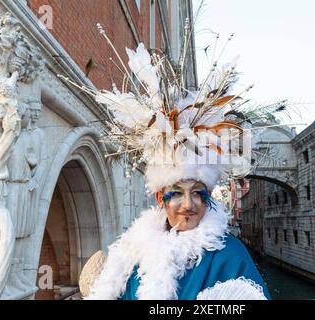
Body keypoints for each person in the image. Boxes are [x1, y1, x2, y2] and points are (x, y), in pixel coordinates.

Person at [75, 37, 271, 300]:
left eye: (198, 192)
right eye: (176, 193)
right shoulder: (135, 251)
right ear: (160, 199)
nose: (188, 204)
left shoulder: (230, 256)